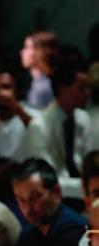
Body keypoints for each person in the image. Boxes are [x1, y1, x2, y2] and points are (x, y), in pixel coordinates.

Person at [25, 61, 91, 200]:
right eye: (81, 88)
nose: (87, 93)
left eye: (88, 88)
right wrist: (86, 187)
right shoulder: (39, 126)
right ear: (62, 89)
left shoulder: (83, 118)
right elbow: (47, 178)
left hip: (85, 190)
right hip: (57, 196)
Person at [20, 31, 59, 110]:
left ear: (40, 52)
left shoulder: (41, 88)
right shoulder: (38, 83)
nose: (22, 52)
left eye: (27, 47)